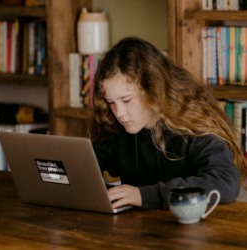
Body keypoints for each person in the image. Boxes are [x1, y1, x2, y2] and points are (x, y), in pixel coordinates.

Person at [90, 36, 247, 210]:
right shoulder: (119, 128)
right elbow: (88, 161)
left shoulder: (195, 126)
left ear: (154, 89)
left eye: (126, 100)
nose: (119, 113)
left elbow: (225, 181)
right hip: (141, 230)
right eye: (111, 102)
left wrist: (143, 195)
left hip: (196, 231)